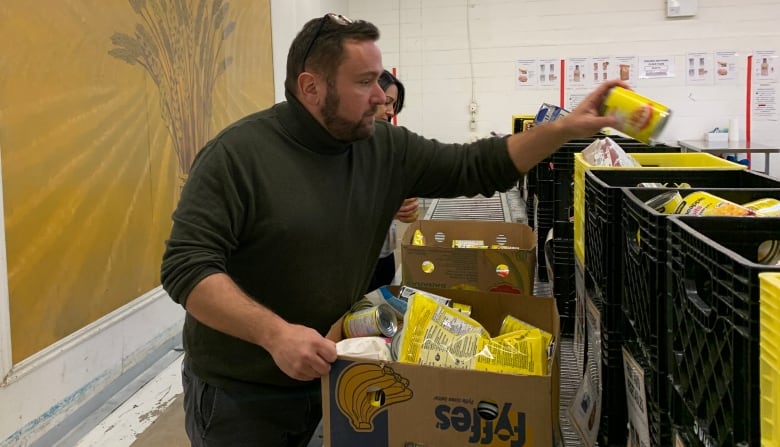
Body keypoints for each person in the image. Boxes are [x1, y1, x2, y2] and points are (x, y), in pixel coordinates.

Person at [160, 12, 625, 447]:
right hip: (241, 394)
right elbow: (187, 267)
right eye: (364, 83)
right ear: (311, 87)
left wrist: (565, 128)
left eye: (380, 80)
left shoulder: (385, 148)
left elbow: (476, 166)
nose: (383, 96)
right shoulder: (237, 156)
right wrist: (275, 335)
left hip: (334, 372)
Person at [367, 69, 418, 292]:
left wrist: (407, 207)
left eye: (393, 105)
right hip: (357, 261)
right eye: (386, 102)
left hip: (384, 255)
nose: (390, 112)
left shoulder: (387, 146)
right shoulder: (341, 150)